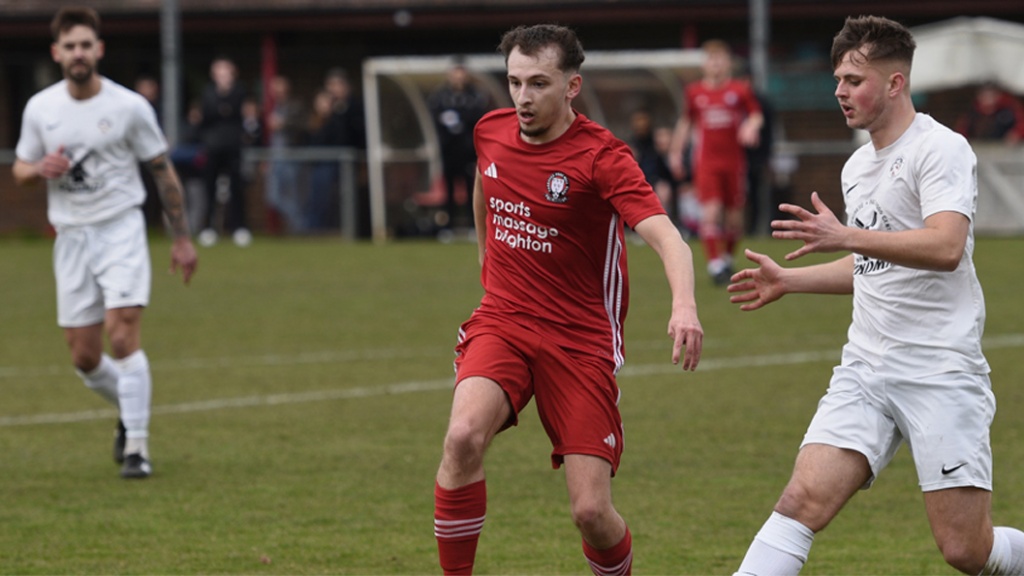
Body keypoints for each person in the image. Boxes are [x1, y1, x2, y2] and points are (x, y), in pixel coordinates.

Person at [728, 15, 1024, 575]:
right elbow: (872, 265)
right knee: (800, 503)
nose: (840, 92)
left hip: (939, 368)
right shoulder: (858, 166)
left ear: (895, 83)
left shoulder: (942, 149)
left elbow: (945, 247)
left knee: (966, 550)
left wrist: (845, 235)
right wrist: (790, 281)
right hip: (866, 368)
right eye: (838, 79)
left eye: (854, 80)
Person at [432, 24, 704, 575]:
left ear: (572, 86)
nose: (523, 98)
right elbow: (486, 183)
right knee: (461, 438)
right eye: (514, 82)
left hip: (579, 341)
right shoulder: (491, 130)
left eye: (538, 83)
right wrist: (488, 261)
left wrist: (685, 306)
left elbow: (667, 235)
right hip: (504, 319)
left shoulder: (603, 157)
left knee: (590, 511)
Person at [12, 6, 197, 479]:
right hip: (71, 236)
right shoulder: (41, 108)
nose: (78, 53)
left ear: (99, 49)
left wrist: (182, 238)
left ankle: (137, 447)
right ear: (57, 53)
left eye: (85, 45)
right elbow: (20, 170)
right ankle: (129, 408)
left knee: (122, 332)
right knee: (85, 356)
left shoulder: (129, 107)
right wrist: (38, 170)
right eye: (69, 46)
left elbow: (162, 169)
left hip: (121, 229)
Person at [668, 39, 763, 285]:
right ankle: (714, 264)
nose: (716, 65)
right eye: (712, 60)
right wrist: (676, 152)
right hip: (707, 163)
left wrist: (751, 127)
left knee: (734, 219)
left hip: (734, 164)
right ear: (705, 64)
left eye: (720, 60)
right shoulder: (695, 93)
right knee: (710, 212)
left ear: (728, 63)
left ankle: (727, 259)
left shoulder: (739, 90)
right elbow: (686, 123)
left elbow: (756, 115)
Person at [428, 58, 490, 236]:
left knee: (472, 188)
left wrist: (461, 122)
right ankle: (448, 227)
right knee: (449, 188)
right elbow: (435, 115)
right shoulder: (441, 96)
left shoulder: (475, 96)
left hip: (468, 151)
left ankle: (473, 226)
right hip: (448, 151)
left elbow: (478, 118)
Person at [197, 56, 250, 247]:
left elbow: (238, 114)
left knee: (237, 189)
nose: (223, 76)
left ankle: (239, 228)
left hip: (234, 148)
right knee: (209, 190)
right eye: (219, 72)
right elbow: (205, 118)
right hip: (213, 148)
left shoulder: (240, 91)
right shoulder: (208, 93)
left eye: (226, 71)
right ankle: (209, 229)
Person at [265, 75, 306, 234]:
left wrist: (284, 124)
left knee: (293, 195)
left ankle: (298, 228)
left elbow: (303, 126)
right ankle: (298, 223)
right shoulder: (272, 107)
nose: (276, 92)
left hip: (291, 156)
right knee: (273, 197)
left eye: (279, 88)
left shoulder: (295, 106)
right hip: (275, 158)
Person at [955, 82, 1024, 145]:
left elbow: (1021, 124)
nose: (987, 99)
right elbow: (962, 131)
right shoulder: (973, 114)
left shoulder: (1008, 111)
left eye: (991, 95)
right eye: (984, 95)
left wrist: (1016, 134)